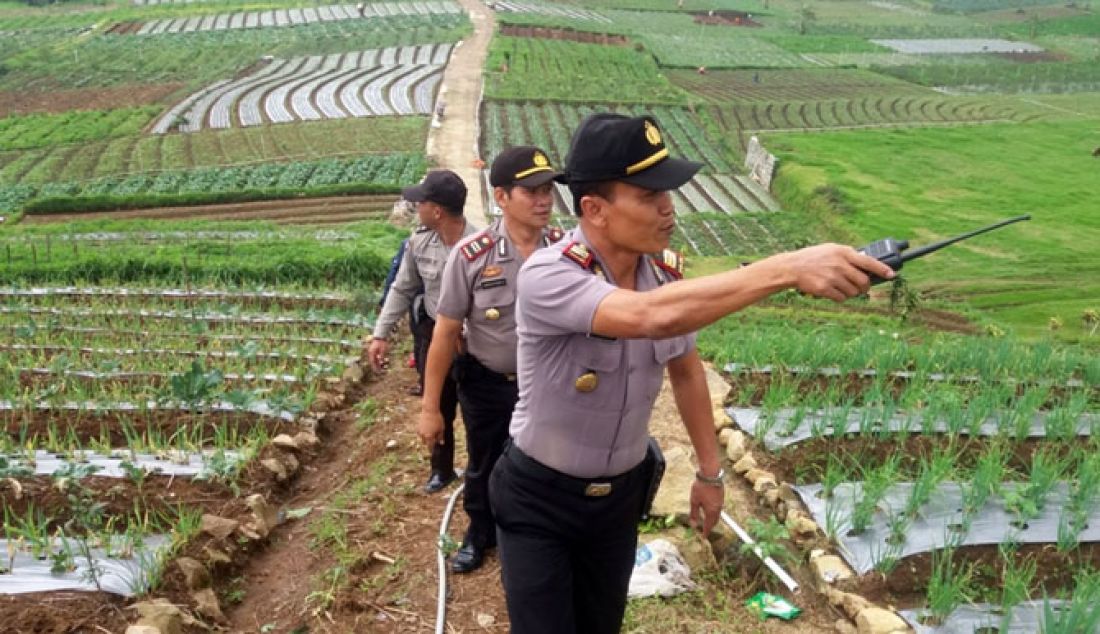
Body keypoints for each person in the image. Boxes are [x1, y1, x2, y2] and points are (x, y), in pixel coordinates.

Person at [488, 113, 895, 634]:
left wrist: (709, 471)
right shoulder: (551, 274)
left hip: (618, 500)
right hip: (540, 499)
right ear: (595, 209)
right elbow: (648, 316)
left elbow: (685, 369)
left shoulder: (662, 276)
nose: (667, 208)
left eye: (669, 193)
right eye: (648, 196)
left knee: (601, 624)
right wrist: (788, 268)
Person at [418, 146, 565, 574]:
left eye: (547, 191)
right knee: (484, 464)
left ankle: (534, 535)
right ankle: (480, 533)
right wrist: (430, 408)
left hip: (551, 385)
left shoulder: (566, 250)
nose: (543, 200)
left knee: (547, 462)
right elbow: (445, 333)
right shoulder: (472, 255)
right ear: (501, 197)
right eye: (531, 191)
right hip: (489, 382)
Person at [369, 170, 478, 493]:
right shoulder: (418, 243)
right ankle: (441, 470)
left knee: (476, 411)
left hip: (475, 344)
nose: (416, 208)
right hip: (434, 337)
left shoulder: (482, 244)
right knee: (438, 404)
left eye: (421, 203)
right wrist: (380, 334)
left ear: (437, 210)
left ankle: (479, 474)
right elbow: (402, 289)